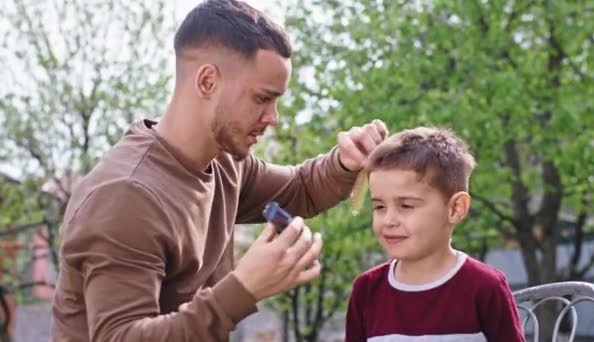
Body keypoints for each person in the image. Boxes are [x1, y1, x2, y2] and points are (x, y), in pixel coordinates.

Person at [51, 0, 387, 341]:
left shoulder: (225, 162)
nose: (274, 118)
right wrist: (243, 288)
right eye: (261, 98)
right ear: (208, 81)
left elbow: (300, 188)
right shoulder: (126, 195)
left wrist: (346, 161)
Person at [345, 127, 524, 342]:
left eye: (406, 205)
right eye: (379, 207)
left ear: (455, 208)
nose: (389, 220)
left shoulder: (485, 286)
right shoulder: (366, 290)